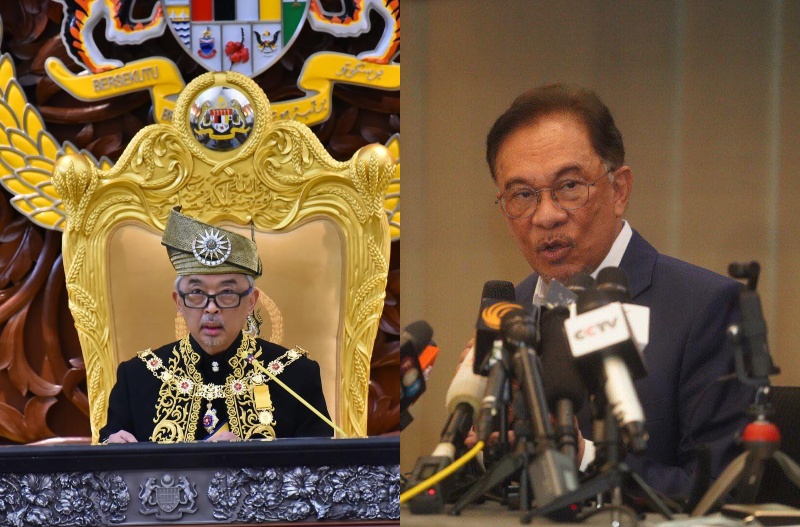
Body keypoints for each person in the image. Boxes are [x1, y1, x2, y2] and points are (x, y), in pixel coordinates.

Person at [483, 84, 754, 498]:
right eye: (522, 195)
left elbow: (722, 493)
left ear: (619, 190)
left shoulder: (705, 307)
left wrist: (584, 459)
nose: (547, 215)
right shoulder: (513, 310)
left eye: (570, 186)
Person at [100, 208, 333, 443]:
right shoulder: (138, 376)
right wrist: (111, 453)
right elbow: (101, 469)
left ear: (251, 301)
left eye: (227, 292)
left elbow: (321, 471)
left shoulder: (296, 375)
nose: (211, 308)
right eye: (197, 292)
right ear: (178, 302)